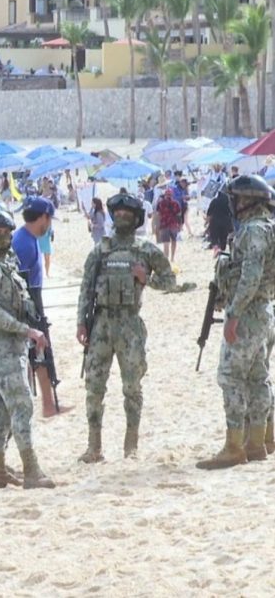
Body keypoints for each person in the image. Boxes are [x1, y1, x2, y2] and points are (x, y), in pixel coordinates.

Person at [77, 193, 185, 463]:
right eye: (119, 212)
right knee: (94, 386)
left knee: (132, 386)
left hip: (130, 325)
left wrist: (145, 278)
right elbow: (86, 289)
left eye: (128, 212)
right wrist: (81, 322)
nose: (122, 216)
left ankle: (131, 445)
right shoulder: (100, 249)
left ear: (136, 218)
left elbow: (170, 281)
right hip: (100, 324)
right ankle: (94, 446)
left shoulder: (145, 250)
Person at [0, 211, 55, 489]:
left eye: (6, 231)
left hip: (9, 344)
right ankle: (31, 470)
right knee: (22, 405)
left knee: (1, 410)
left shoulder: (5, 265)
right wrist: (26, 330)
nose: (2, 236)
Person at [197, 175, 275, 469]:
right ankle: (259, 442)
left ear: (246, 200)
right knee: (257, 378)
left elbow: (251, 276)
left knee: (230, 377)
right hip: (265, 311)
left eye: (237, 199)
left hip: (249, 313)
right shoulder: (269, 227)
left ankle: (234, 447)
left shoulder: (254, 231)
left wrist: (233, 315)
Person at [12, 197, 71, 418]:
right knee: (37, 354)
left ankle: (48, 404)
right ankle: (45, 405)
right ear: (43, 218)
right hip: (29, 303)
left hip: (33, 301)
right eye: (49, 219)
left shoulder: (28, 237)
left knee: (40, 355)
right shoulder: (24, 243)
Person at [156, 188, 182, 263]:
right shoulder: (175, 203)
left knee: (166, 243)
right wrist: (180, 225)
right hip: (173, 224)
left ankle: (166, 258)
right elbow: (179, 215)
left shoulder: (160, 204)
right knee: (174, 241)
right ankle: (172, 257)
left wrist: (157, 225)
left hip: (164, 224)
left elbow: (158, 215)